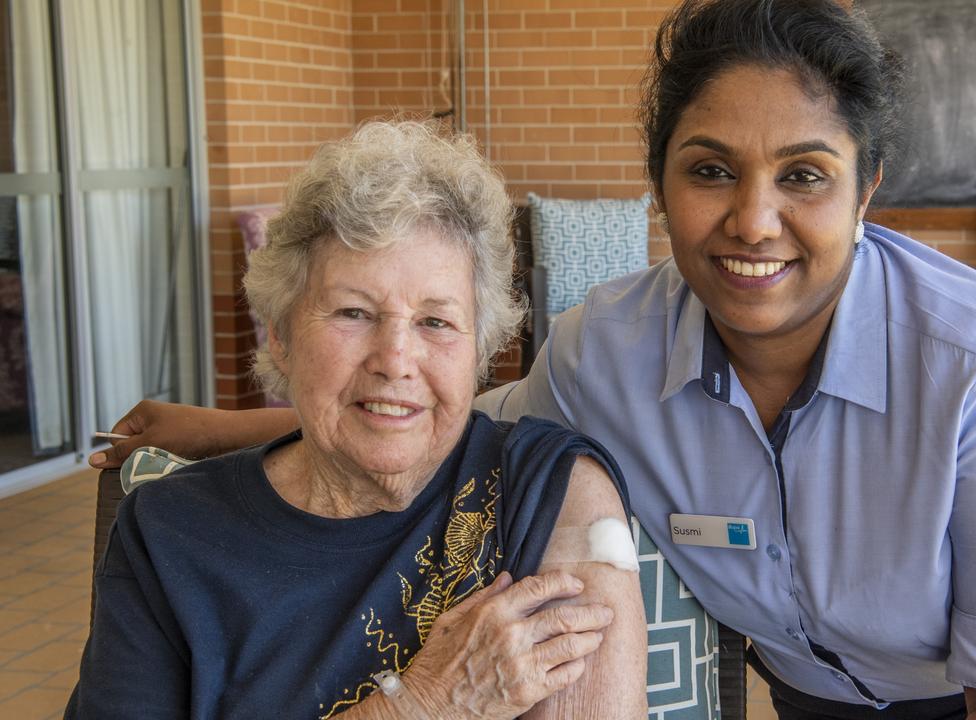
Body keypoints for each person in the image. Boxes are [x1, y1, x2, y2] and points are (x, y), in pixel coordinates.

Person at [92, 1, 976, 718]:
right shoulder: (610, 348)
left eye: (804, 175)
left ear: (868, 189)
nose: (754, 220)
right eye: (709, 169)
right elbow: (433, 406)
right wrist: (226, 427)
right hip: (835, 677)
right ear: (659, 183)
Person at [68, 121, 647, 719]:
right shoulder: (169, 531)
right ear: (283, 336)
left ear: (479, 352)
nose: (395, 360)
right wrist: (424, 705)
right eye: (354, 312)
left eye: (436, 322)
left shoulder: (551, 490)